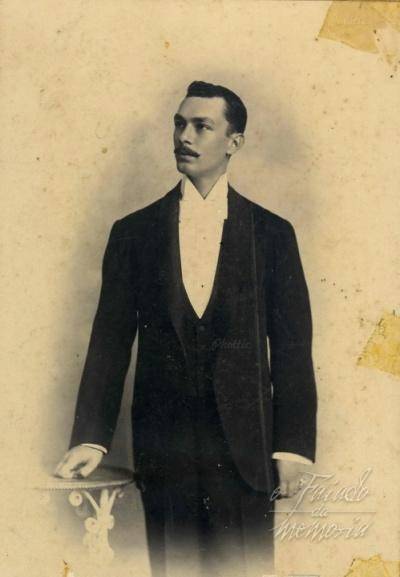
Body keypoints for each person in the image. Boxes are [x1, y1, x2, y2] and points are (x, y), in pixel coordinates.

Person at [55, 81, 317, 577]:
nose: (184, 136)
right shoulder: (133, 233)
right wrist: (90, 439)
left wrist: (293, 448)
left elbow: (292, 351)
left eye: (202, 126)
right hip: (164, 453)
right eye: (179, 124)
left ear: (234, 142)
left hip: (247, 455)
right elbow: (109, 344)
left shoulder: (273, 234)